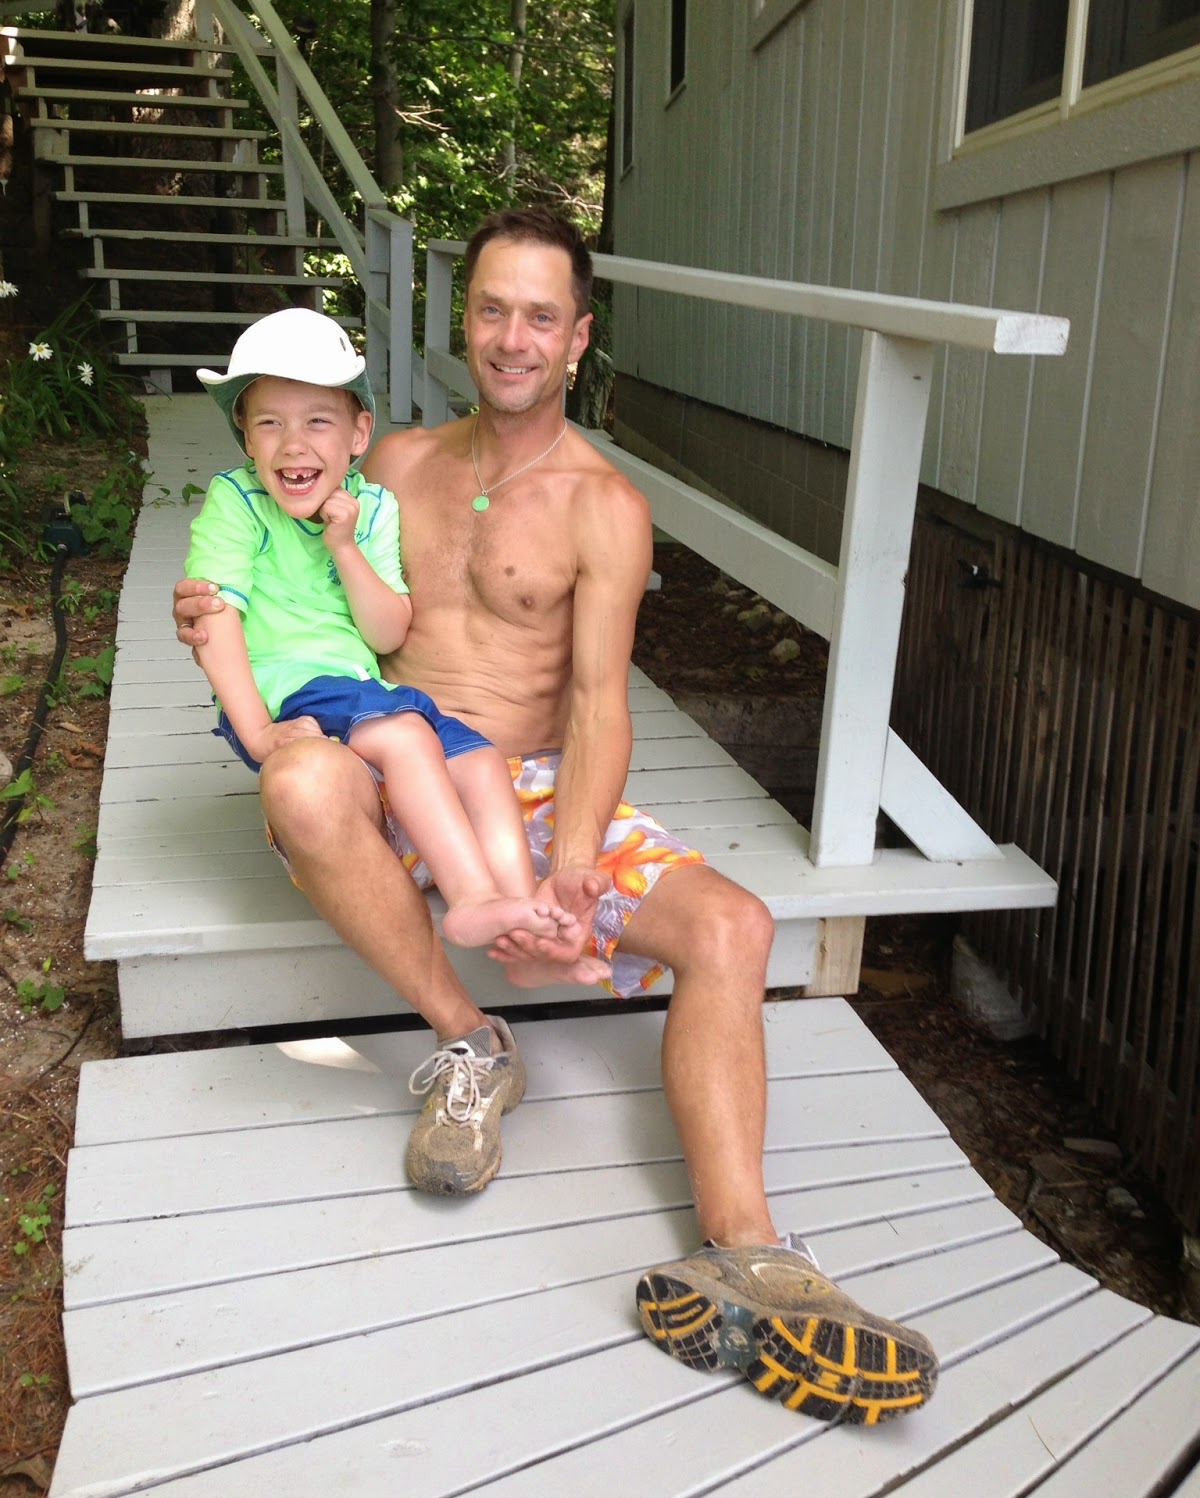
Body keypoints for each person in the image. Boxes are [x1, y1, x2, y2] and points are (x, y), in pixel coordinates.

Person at [175, 208, 938, 1426]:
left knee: (735, 924)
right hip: (378, 758)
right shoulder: (390, 464)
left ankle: (747, 1252)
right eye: (491, 308)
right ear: (464, 320)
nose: (512, 337)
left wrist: (574, 864)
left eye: (541, 315)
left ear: (577, 338)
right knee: (300, 783)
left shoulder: (604, 505)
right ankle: (472, 1043)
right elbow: (277, 556)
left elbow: (596, 702)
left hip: (518, 784)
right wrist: (209, 614)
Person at [185, 306, 581, 956]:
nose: (294, 445)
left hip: (363, 689)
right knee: (405, 737)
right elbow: (213, 615)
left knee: (480, 761)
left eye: (318, 421)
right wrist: (256, 732)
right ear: (246, 436)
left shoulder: (372, 508)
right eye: (270, 422)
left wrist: (344, 547)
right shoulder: (237, 502)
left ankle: (521, 914)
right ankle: (471, 899)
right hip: (288, 687)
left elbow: (389, 631)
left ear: (358, 433)